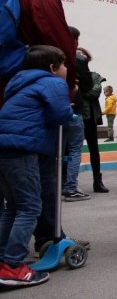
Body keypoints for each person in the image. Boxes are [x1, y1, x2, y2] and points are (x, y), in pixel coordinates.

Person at [0, 0, 87, 256]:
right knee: (45, 175)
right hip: (36, 105)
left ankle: (8, 249)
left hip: (10, 96)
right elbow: (60, 44)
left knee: (13, 195)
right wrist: (68, 87)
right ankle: (47, 240)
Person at [0, 45, 74, 287]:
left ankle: (4, 258)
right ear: (53, 68)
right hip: (23, 148)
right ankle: (12, 266)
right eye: (63, 65)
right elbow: (60, 114)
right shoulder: (53, 83)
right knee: (30, 207)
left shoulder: (18, 82)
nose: (65, 69)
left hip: (5, 146)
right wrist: (71, 110)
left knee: (13, 206)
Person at [62, 27, 92, 202]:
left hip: (55, 110)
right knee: (74, 150)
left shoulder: (50, 56)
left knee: (57, 150)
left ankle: (56, 184)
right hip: (73, 110)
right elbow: (87, 85)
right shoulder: (76, 59)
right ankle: (71, 187)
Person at [77, 47, 108, 193]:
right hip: (76, 114)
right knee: (71, 149)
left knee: (94, 149)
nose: (80, 56)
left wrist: (80, 89)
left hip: (89, 116)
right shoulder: (72, 74)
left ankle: (98, 180)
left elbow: (94, 92)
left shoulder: (95, 76)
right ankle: (68, 182)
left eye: (82, 54)